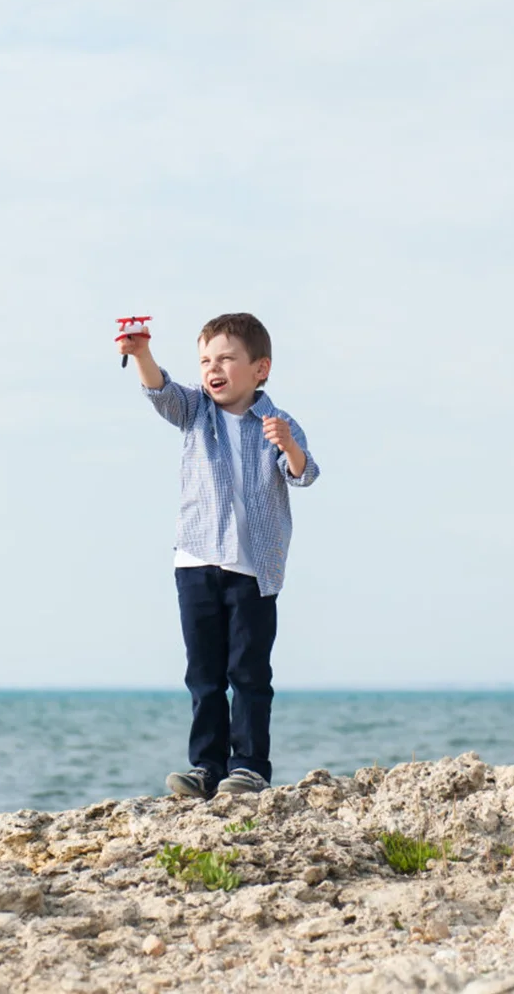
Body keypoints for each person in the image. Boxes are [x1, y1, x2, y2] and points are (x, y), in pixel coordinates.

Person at [117, 312, 319, 798]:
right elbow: (162, 393)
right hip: (195, 561)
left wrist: (288, 445)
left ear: (260, 369)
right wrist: (142, 353)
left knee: (249, 673)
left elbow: (304, 474)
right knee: (203, 673)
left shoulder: (278, 423)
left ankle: (248, 765)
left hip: (254, 569)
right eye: (206, 359)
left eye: (227, 358)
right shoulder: (196, 411)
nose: (214, 367)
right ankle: (206, 766)